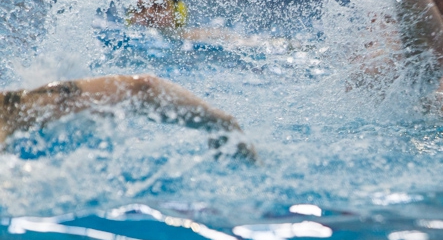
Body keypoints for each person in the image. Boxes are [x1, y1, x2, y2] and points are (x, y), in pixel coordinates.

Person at [0, 74, 255, 160]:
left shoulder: (15, 107)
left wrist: (220, 123)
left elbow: (142, 88)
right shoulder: (13, 109)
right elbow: (143, 88)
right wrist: (220, 124)